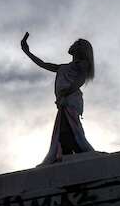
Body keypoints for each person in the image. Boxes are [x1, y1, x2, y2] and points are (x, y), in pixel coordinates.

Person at [21, 32, 97, 165]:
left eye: (76, 43)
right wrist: (27, 52)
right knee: (65, 128)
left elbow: (80, 80)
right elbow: (43, 64)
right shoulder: (63, 67)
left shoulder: (82, 64)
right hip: (64, 101)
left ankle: (77, 153)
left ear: (81, 48)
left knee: (69, 127)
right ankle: (67, 154)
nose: (72, 44)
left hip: (70, 100)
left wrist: (65, 93)